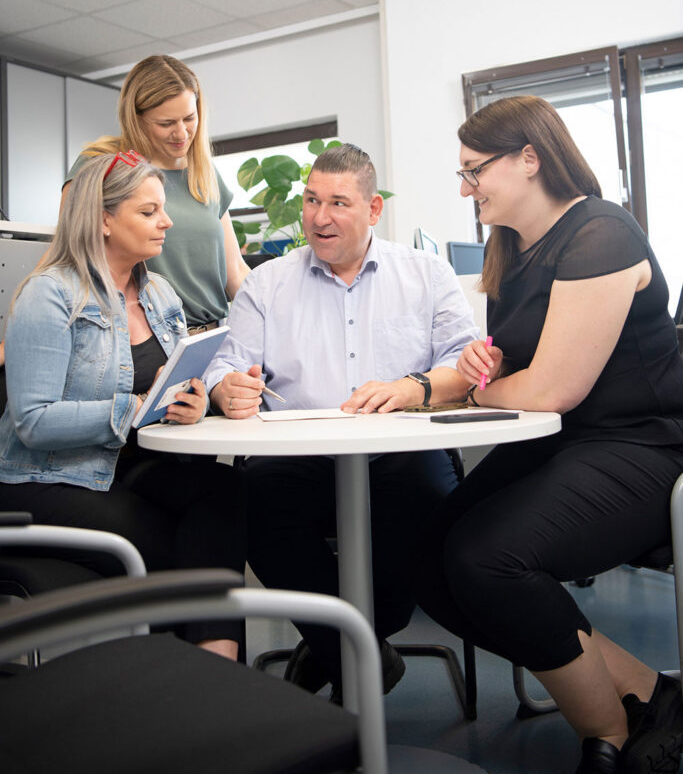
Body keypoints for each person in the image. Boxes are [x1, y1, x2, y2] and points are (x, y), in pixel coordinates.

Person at [415, 96, 683, 774]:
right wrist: (491, 364)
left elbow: (552, 389)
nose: (463, 187)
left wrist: (482, 387)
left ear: (528, 159)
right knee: (426, 561)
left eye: (473, 170)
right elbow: (519, 364)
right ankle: (649, 694)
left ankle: (606, 734)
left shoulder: (600, 233)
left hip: (640, 445)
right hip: (563, 443)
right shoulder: (511, 252)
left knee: (486, 559)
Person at [203, 142, 479, 697]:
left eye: (337, 202)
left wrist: (410, 389)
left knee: (430, 510)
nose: (319, 217)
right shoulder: (268, 283)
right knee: (252, 503)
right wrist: (224, 388)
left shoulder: (426, 274)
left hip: (401, 452)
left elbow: (463, 365)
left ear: (374, 209)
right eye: (310, 200)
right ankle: (362, 658)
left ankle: (334, 649)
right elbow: (227, 365)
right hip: (297, 456)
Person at [0, 153, 246, 660]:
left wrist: (192, 402)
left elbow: (178, 378)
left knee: (225, 493)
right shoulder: (50, 297)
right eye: (149, 211)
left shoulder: (160, 294)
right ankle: (198, 685)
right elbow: (32, 422)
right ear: (104, 219)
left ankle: (213, 673)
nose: (168, 221)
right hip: (49, 479)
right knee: (171, 544)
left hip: (127, 465)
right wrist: (131, 409)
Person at [64, 54, 249, 331]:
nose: (181, 133)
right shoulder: (103, 164)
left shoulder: (204, 173)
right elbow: (70, 257)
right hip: (141, 339)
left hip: (211, 337)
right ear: (136, 118)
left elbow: (234, 273)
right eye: (166, 123)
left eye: (189, 118)